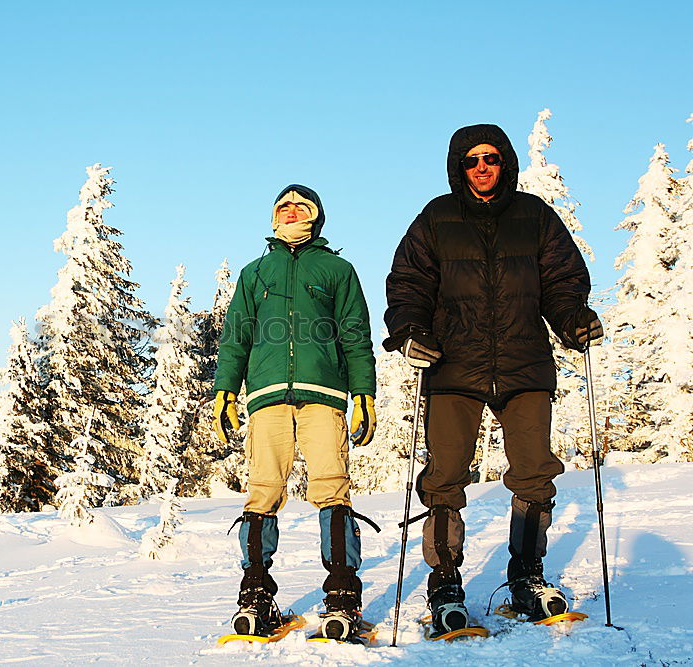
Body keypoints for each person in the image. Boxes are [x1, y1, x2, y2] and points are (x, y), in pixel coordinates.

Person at [384, 124, 603, 636]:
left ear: (506, 162)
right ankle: (444, 584)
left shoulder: (535, 217)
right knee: (445, 478)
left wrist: (574, 319)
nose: (481, 167)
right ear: (457, 167)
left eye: (491, 158)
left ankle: (527, 578)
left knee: (533, 473)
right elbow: (408, 282)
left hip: (524, 364)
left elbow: (563, 282)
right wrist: (411, 331)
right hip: (453, 367)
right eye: (470, 160)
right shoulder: (436, 218)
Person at [213, 184, 378, 641]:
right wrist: (225, 389)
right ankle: (255, 596)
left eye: (299, 207)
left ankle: (342, 595)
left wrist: (363, 392)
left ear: (315, 216)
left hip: (324, 395)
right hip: (265, 396)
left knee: (332, 487)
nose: (289, 212)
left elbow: (355, 336)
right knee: (262, 491)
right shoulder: (254, 273)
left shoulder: (337, 270)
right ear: (273, 217)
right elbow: (235, 338)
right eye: (282, 207)